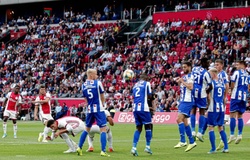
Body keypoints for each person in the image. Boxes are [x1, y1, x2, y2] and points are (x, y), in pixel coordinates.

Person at [77, 68, 110, 157]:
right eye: (95, 74)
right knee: (103, 129)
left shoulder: (83, 85)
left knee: (87, 129)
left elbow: (85, 99)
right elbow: (102, 96)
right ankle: (103, 151)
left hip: (89, 109)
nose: (97, 76)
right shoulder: (98, 83)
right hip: (99, 109)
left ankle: (79, 147)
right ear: (91, 75)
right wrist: (102, 105)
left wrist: (89, 105)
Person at [201, 59, 230, 136]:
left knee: (215, 117)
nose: (216, 66)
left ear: (222, 65)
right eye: (215, 65)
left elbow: (227, 86)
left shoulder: (223, 74)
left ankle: (202, 133)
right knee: (209, 115)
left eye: (217, 65)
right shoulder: (214, 74)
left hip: (218, 99)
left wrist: (225, 97)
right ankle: (202, 133)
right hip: (215, 98)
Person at [174, 61, 197, 152]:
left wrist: (182, 81)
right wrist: (180, 82)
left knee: (178, 119)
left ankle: (183, 140)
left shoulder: (190, 76)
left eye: (185, 67)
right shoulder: (185, 77)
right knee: (185, 122)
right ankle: (191, 142)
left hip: (187, 101)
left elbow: (191, 87)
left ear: (189, 67)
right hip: (183, 100)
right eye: (182, 67)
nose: (183, 69)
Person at [206, 68, 228, 153]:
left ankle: (213, 149)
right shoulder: (222, 83)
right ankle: (226, 147)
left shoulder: (211, 83)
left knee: (211, 127)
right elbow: (224, 93)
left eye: (210, 74)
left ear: (214, 74)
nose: (208, 76)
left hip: (213, 107)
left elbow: (208, 96)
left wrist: (207, 107)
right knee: (220, 127)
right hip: (221, 107)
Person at [130, 73, 153, 156]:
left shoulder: (135, 85)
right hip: (143, 108)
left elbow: (134, 96)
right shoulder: (147, 83)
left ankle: (134, 148)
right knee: (148, 126)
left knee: (138, 128)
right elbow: (150, 96)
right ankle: (147, 146)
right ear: (146, 78)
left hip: (135, 108)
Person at [190, 57, 212, 141]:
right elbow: (210, 85)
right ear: (204, 63)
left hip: (193, 92)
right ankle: (199, 132)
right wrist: (207, 92)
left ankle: (192, 131)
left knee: (193, 111)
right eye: (208, 62)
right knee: (202, 112)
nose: (209, 64)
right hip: (201, 94)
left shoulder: (194, 69)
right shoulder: (206, 73)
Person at [228, 60, 250, 144]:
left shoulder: (236, 73)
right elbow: (249, 87)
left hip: (236, 96)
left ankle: (232, 134)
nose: (236, 66)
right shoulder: (247, 74)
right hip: (244, 97)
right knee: (240, 116)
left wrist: (231, 90)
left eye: (238, 64)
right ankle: (240, 134)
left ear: (242, 65)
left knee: (232, 115)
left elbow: (232, 84)